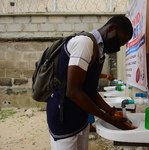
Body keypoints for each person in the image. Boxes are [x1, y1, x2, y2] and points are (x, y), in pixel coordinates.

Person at [46, 15, 133, 150]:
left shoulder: (99, 51)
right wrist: (109, 119)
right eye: (120, 41)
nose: (118, 48)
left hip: (80, 118)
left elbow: (89, 91)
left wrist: (111, 111)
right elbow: (73, 91)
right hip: (64, 118)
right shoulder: (84, 43)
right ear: (111, 28)